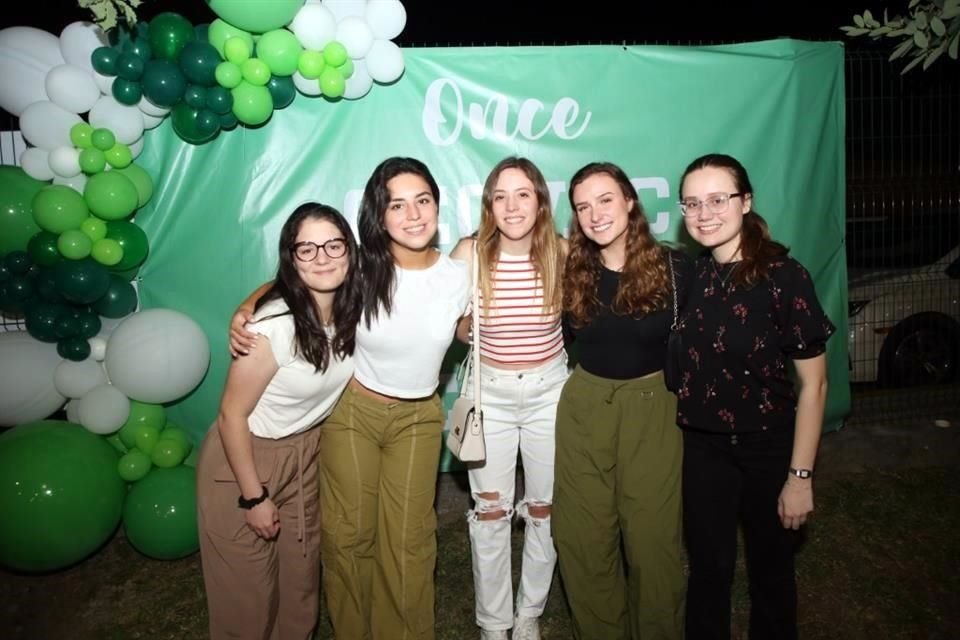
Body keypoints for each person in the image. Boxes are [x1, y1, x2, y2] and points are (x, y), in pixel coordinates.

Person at [230, 157, 470, 640]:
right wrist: (247, 305)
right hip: (353, 413)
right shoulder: (361, 265)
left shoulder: (458, 274)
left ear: (437, 207)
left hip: (419, 419)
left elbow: (465, 322)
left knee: (410, 541)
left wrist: (469, 330)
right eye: (397, 204)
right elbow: (293, 278)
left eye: (422, 200)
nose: (413, 214)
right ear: (379, 215)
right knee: (349, 535)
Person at [674, 153, 834, 640]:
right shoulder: (692, 276)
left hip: (769, 446)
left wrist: (800, 477)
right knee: (707, 573)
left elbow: (815, 385)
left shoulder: (786, 277)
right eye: (692, 203)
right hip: (702, 448)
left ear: (746, 202)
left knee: (772, 575)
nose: (704, 214)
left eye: (718, 200)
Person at [197, 203, 362, 640]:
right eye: (305, 249)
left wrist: (250, 297)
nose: (322, 257)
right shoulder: (273, 327)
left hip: (305, 454)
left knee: (300, 586)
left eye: (333, 245)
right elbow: (232, 415)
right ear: (291, 258)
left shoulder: (350, 311)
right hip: (246, 459)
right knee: (248, 600)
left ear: (350, 252)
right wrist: (253, 499)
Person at [552, 161, 690, 640]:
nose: (595, 214)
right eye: (582, 206)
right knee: (583, 539)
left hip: (653, 409)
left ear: (630, 200)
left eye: (605, 199)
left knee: (653, 545)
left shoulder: (677, 269)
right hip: (586, 405)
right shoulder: (572, 270)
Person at [448, 157, 568, 640]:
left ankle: (529, 615)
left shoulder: (562, 252)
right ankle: (494, 624)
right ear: (488, 206)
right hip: (489, 397)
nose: (512, 205)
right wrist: (465, 326)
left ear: (540, 201)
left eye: (523, 194)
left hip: (549, 394)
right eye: (501, 196)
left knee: (544, 508)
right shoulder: (469, 253)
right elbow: (445, 320)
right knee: (492, 512)